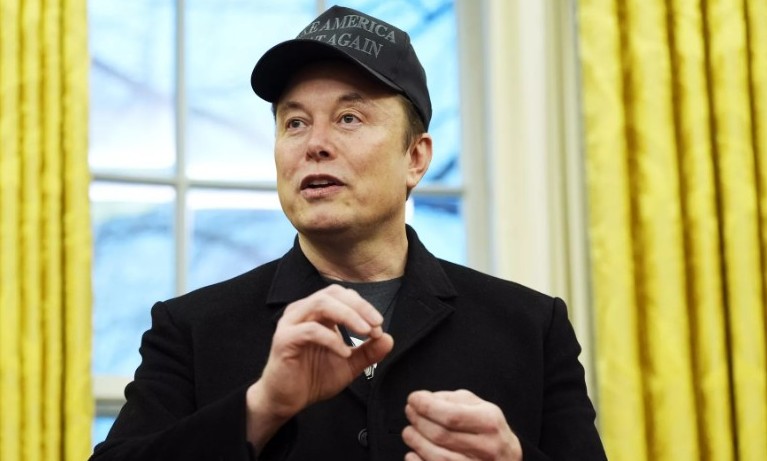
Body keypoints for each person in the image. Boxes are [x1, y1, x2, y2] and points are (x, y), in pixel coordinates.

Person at [90, 5, 607, 461]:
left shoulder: (531, 328)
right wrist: (262, 407)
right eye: (294, 123)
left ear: (415, 157)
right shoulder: (191, 330)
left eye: (349, 118)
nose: (314, 143)